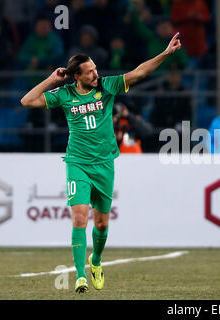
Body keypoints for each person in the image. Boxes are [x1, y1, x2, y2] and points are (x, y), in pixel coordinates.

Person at [20, 33, 182, 293]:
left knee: (102, 224)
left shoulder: (107, 86)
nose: (96, 74)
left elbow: (138, 73)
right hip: (78, 163)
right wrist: (51, 79)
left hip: (105, 164)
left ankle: (95, 261)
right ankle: (80, 276)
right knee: (79, 217)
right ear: (77, 76)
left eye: (95, 69)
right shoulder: (64, 95)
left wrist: (165, 53)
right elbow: (27, 101)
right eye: (90, 71)